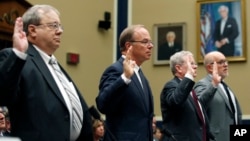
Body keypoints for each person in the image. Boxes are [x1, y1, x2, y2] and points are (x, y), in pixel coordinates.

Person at [0, 5, 93, 141]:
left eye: (60, 26)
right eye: (54, 25)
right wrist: (18, 54)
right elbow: (3, 94)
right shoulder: (19, 59)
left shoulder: (54, 65)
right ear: (32, 30)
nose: (60, 31)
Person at [96, 24, 154, 141]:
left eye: (150, 42)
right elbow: (103, 104)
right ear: (129, 46)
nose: (150, 46)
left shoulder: (140, 74)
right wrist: (124, 78)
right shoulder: (116, 70)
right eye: (145, 42)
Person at [160, 51, 215, 141]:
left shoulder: (190, 89)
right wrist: (188, 76)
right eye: (191, 63)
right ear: (179, 68)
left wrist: (214, 84)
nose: (196, 66)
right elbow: (176, 101)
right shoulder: (171, 85)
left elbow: (199, 110)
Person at [194, 51, 242, 141]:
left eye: (226, 61)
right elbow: (199, 106)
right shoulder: (203, 84)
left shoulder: (225, 86)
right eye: (221, 62)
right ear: (210, 67)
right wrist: (213, 85)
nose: (226, 65)